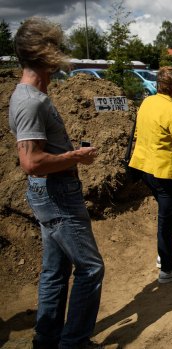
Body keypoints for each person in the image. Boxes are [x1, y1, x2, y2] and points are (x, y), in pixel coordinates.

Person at [8, 17, 104, 349]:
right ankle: (74, 342)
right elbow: (31, 163)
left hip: (52, 194)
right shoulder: (31, 102)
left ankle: (46, 339)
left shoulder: (31, 95)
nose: (60, 54)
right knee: (91, 269)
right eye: (55, 47)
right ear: (42, 51)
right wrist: (76, 157)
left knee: (56, 271)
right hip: (57, 194)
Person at [129, 66, 172, 284]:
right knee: (166, 220)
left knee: (166, 217)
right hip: (165, 173)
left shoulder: (147, 102)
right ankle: (167, 268)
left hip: (144, 168)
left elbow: (139, 133)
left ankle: (166, 252)